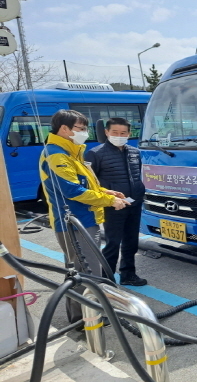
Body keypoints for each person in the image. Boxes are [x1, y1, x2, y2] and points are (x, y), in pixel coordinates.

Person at [40, 110, 130, 323]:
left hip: (84, 220)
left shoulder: (71, 152)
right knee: (86, 272)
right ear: (64, 129)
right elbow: (72, 191)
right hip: (74, 221)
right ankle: (86, 320)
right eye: (80, 129)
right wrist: (110, 201)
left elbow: (85, 184)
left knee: (81, 269)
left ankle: (83, 316)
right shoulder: (57, 155)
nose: (84, 133)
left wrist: (106, 192)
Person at [86, 118, 148, 286]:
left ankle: (128, 274)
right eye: (115, 132)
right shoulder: (95, 153)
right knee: (113, 242)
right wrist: (108, 198)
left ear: (129, 134)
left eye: (123, 133)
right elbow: (91, 183)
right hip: (113, 205)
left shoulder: (135, 152)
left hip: (134, 203)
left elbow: (137, 175)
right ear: (106, 132)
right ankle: (107, 278)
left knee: (131, 241)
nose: (119, 136)